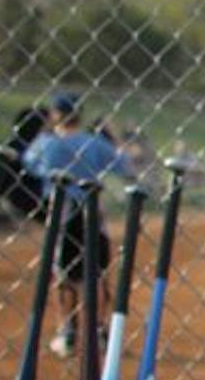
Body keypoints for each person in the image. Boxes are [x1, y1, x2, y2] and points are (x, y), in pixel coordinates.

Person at [22, 92, 135, 357]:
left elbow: (28, 165)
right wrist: (114, 137)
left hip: (60, 212)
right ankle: (99, 330)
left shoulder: (45, 143)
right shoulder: (93, 143)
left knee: (63, 274)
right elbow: (124, 166)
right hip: (92, 212)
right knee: (97, 273)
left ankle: (67, 331)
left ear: (55, 114)